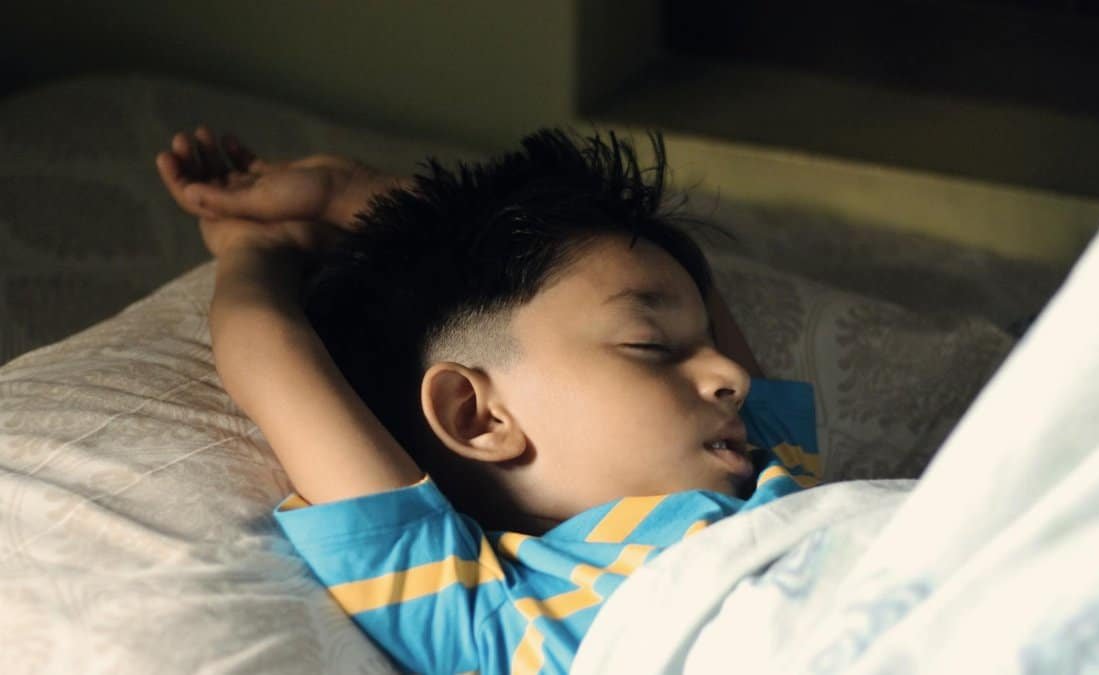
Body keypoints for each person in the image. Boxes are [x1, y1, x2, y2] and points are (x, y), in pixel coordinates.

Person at [155, 125, 824, 674]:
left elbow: (689, 283)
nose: (729, 371)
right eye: (651, 344)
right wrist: (255, 251)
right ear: (477, 415)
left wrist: (344, 191)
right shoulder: (503, 616)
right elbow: (272, 353)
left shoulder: (771, 473)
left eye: (706, 343)